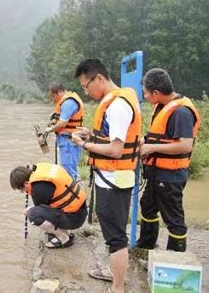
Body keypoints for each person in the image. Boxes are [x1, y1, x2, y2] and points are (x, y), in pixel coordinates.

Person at [70, 58, 141, 293]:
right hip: (111, 178)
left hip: (114, 180)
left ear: (98, 78)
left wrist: (85, 145)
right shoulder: (118, 99)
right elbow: (111, 138)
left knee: (116, 238)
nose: (86, 91)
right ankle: (114, 275)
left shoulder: (118, 105)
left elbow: (116, 150)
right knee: (114, 232)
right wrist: (90, 135)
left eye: (85, 85)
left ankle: (118, 288)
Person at [137, 68, 201, 252]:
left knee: (173, 219)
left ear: (156, 92)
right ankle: (146, 246)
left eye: (146, 92)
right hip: (156, 172)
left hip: (171, 176)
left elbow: (185, 145)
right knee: (147, 206)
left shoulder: (181, 112)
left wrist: (152, 147)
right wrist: (143, 142)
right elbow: (158, 136)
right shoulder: (161, 106)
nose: (145, 96)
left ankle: (176, 257)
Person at [9, 162, 87, 248]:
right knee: (43, 211)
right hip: (81, 210)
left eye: (21, 189)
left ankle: (63, 238)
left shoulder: (38, 188)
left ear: (26, 183)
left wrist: (28, 210)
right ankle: (65, 233)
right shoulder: (40, 172)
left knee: (33, 215)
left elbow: (40, 211)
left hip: (75, 220)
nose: (24, 191)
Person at [45, 82, 84, 180]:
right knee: (67, 169)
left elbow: (62, 123)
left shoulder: (68, 103)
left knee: (69, 171)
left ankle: (73, 192)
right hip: (67, 141)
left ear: (60, 92)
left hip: (69, 142)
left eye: (53, 96)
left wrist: (49, 130)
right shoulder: (66, 101)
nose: (52, 99)